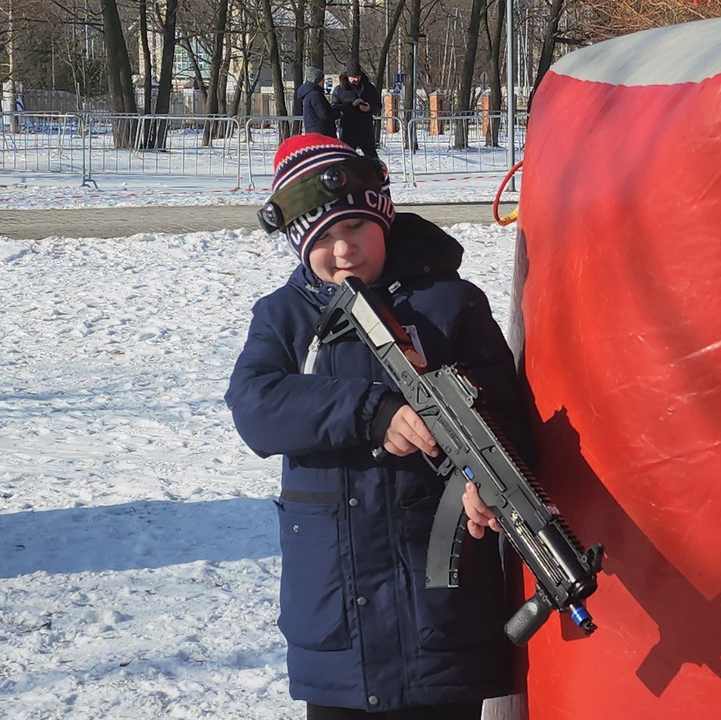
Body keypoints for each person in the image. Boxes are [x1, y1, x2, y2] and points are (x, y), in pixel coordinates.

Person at [224, 133, 529, 720]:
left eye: (356, 229)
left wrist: (489, 481)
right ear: (298, 242)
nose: (344, 251)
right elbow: (255, 404)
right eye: (325, 238)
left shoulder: (451, 304)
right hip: (339, 618)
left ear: (383, 219)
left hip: (441, 614)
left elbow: (506, 411)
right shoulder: (286, 316)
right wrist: (374, 413)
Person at [331, 62, 381, 158]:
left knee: (373, 159)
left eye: (358, 76)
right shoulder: (339, 90)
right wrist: (350, 105)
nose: (356, 79)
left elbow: (378, 106)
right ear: (347, 76)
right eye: (353, 77)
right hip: (347, 130)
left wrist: (369, 108)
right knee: (346, 159)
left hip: (365, 129)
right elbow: (335, 108)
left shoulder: (369, 88)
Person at [297, 68, 341, 138]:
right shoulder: (315, 95)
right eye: (322, 80)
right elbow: (324, 114)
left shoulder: (308, 94)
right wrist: (338, 113)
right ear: (317, 81)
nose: (323, 82)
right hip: (322, 133)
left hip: (313, 131)